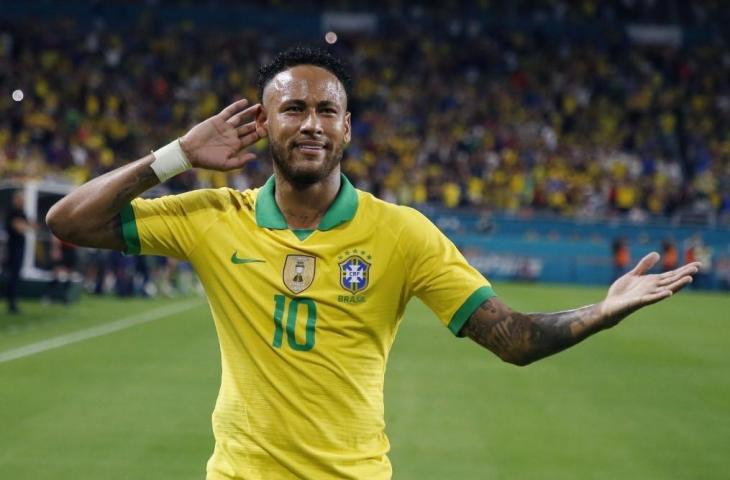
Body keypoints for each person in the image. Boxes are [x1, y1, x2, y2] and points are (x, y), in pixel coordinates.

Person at [46, 47, 700, 480]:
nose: (310, 124)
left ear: (348, 127)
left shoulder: (403, 233)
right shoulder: (213, 217)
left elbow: (514, 339)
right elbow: (70, 221)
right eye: (293, 109)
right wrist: (175, 157)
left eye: (326, 110)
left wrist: (601, 312)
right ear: (263, 125)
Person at [4, 191, 33, 314]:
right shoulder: (12, 213)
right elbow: (20, 228)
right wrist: (24, 226)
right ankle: (11, 303)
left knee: (16, 276)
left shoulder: (22, 213)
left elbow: (32, 226)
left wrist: (24, 226)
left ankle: (13, 302)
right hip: (13, 248)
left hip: (20, 248)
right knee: (12, 276)